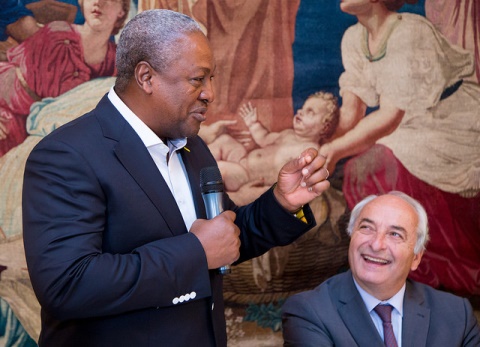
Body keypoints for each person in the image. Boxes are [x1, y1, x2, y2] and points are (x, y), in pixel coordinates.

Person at [22, 9, 331, 347]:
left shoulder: (192, 146)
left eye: (211, 78)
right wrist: (195, 252)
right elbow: (67, 285)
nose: (210, 93)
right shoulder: (66, 154)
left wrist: (282, 203)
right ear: (146, 77)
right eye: (198, 79)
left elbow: (222, 236)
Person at [319, 0, 480, 295]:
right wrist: (316, 139)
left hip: (455, 120)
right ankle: (397, 265)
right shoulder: (353, 38)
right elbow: (351, 114)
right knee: (363, 165)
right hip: (411, 124)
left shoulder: (410, 32)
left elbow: (389, 118)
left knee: (372, 164)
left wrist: (334, 151)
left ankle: (437, 269)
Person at [282, 191, 480, 346]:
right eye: (366, 228)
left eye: (395, 234)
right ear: (351, 237)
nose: (376, 245)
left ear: (416, 258)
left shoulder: (456, 314)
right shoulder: (309, 312)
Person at [0, 0, 129, 157]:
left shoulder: (115, 63)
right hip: (8, 110)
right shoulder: (58, 33)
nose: (98, 2)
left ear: (122, 10)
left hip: (47, 132)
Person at [208, 92, 339, 191]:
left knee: (221, 169)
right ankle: (192, 162)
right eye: (303, 108)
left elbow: (298, 180)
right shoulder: (288, 134)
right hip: (244, 161)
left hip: (249, 178)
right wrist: (253, 124)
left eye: (310, 112)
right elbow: (264, 139)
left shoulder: (311, 152)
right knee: (225, 141)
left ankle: (193, 180)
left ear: (324, 127)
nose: (300, 112)